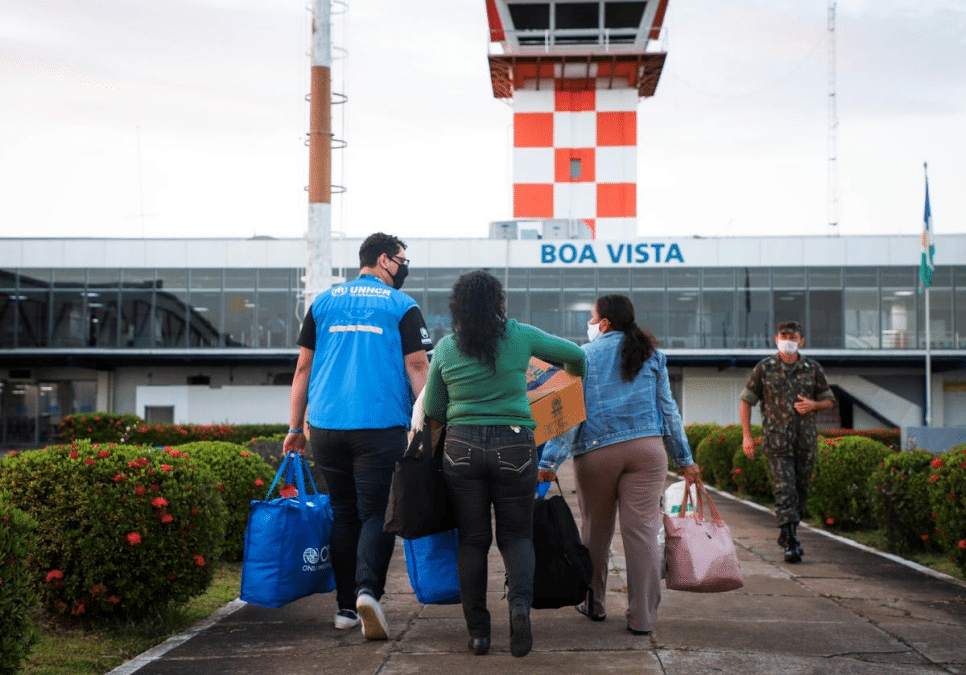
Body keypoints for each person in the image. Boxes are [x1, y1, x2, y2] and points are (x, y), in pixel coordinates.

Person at [422, 270, 585, 658]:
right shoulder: (521, 335)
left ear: (457, 306)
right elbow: (576, 357)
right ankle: (518, 609)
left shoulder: (446, 348)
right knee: (517, 536)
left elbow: (433, 409)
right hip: (514, 444)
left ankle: (479, 633)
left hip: (461, 447)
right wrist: (564, 386)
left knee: (474, 540)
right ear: (499, 302)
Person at [283, 232, 433, 639]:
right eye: (402, 259)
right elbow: (418, 367)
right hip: (380, 426)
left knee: (344, 514)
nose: (404, 266)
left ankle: (346, 609)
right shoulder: (403, 306)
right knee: (375, 514)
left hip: (327, 428)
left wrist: (296, 428)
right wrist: (434, 422)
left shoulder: (324, 302)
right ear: (384, 260)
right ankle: (369, 591)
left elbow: (302, 370)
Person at [539, 294, 701, 637]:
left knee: (596, 531)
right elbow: (669, 411)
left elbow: (569, 416)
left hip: (598, 454)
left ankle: (594, 603)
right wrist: (685, 459)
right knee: (641, 534)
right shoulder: (653, 355)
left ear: (605, 323)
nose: (590, 322)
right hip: (648, 451)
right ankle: (642, 618)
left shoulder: (582, 355)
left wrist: (550, 461)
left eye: (593, 317)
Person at [740, 320, 835, 563]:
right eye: (783, 336)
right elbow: (746, 400)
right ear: (776, 339)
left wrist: (814, 405)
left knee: (800, 491)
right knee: (785, 489)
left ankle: (788, 530)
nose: (788, 340)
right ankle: (791, 539)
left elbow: (828, 400)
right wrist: (747, 436)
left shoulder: (812, 368)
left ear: (801, 340)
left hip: (805, 442)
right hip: (776, 442)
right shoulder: (764, 368)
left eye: (793, 336)